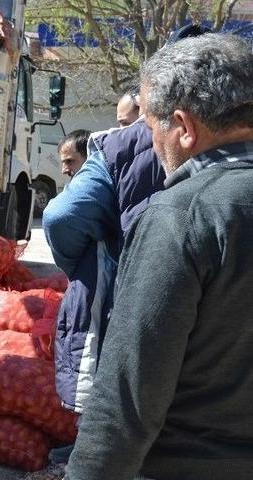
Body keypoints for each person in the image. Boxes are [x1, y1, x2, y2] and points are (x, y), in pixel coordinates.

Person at [66, 33, 253, 480]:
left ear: (184, 128)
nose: (151, 144)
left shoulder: (183, 214)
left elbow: (129, 394)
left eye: (151, 127)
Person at [41, 25, 210, 423]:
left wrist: (85, 263)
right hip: (212, 330)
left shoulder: (118, 146)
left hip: (128, 309)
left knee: (119, 415)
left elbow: (62, 216)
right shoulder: (233, 143)